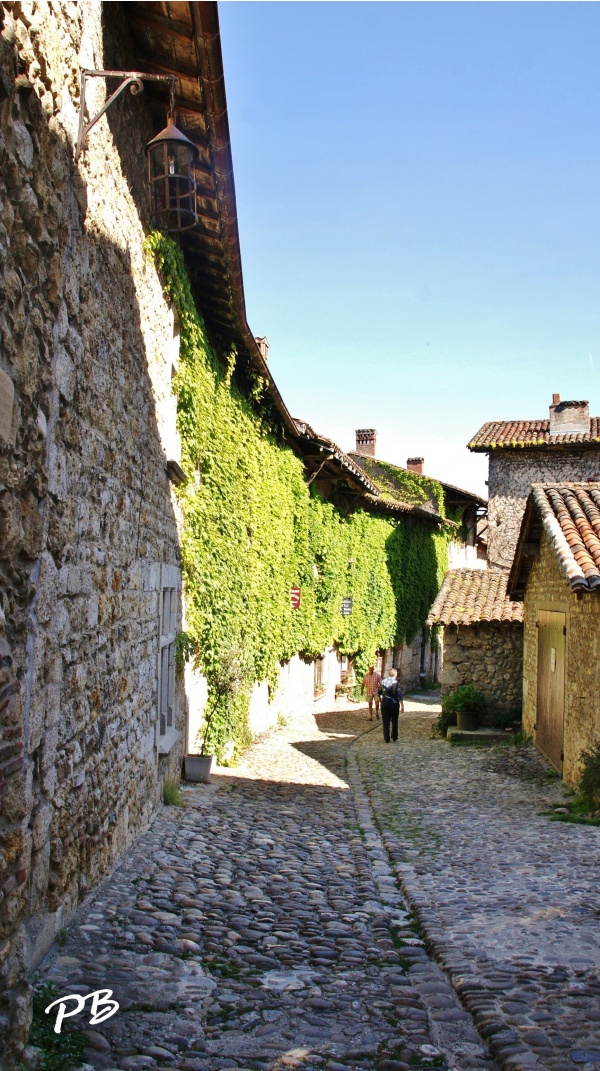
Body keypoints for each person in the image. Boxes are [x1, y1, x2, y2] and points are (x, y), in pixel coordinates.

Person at [378, 668, 405, 743]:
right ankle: (394, 736)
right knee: (394, 720)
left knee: (385, 721)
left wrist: (381, 701)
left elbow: (379, 692)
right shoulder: (396, 683)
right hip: (394, 703)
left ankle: (386, 738)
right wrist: (402, 705)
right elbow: (399, 695)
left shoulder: (383, 681)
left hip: (385, 703)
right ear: (395, 675)